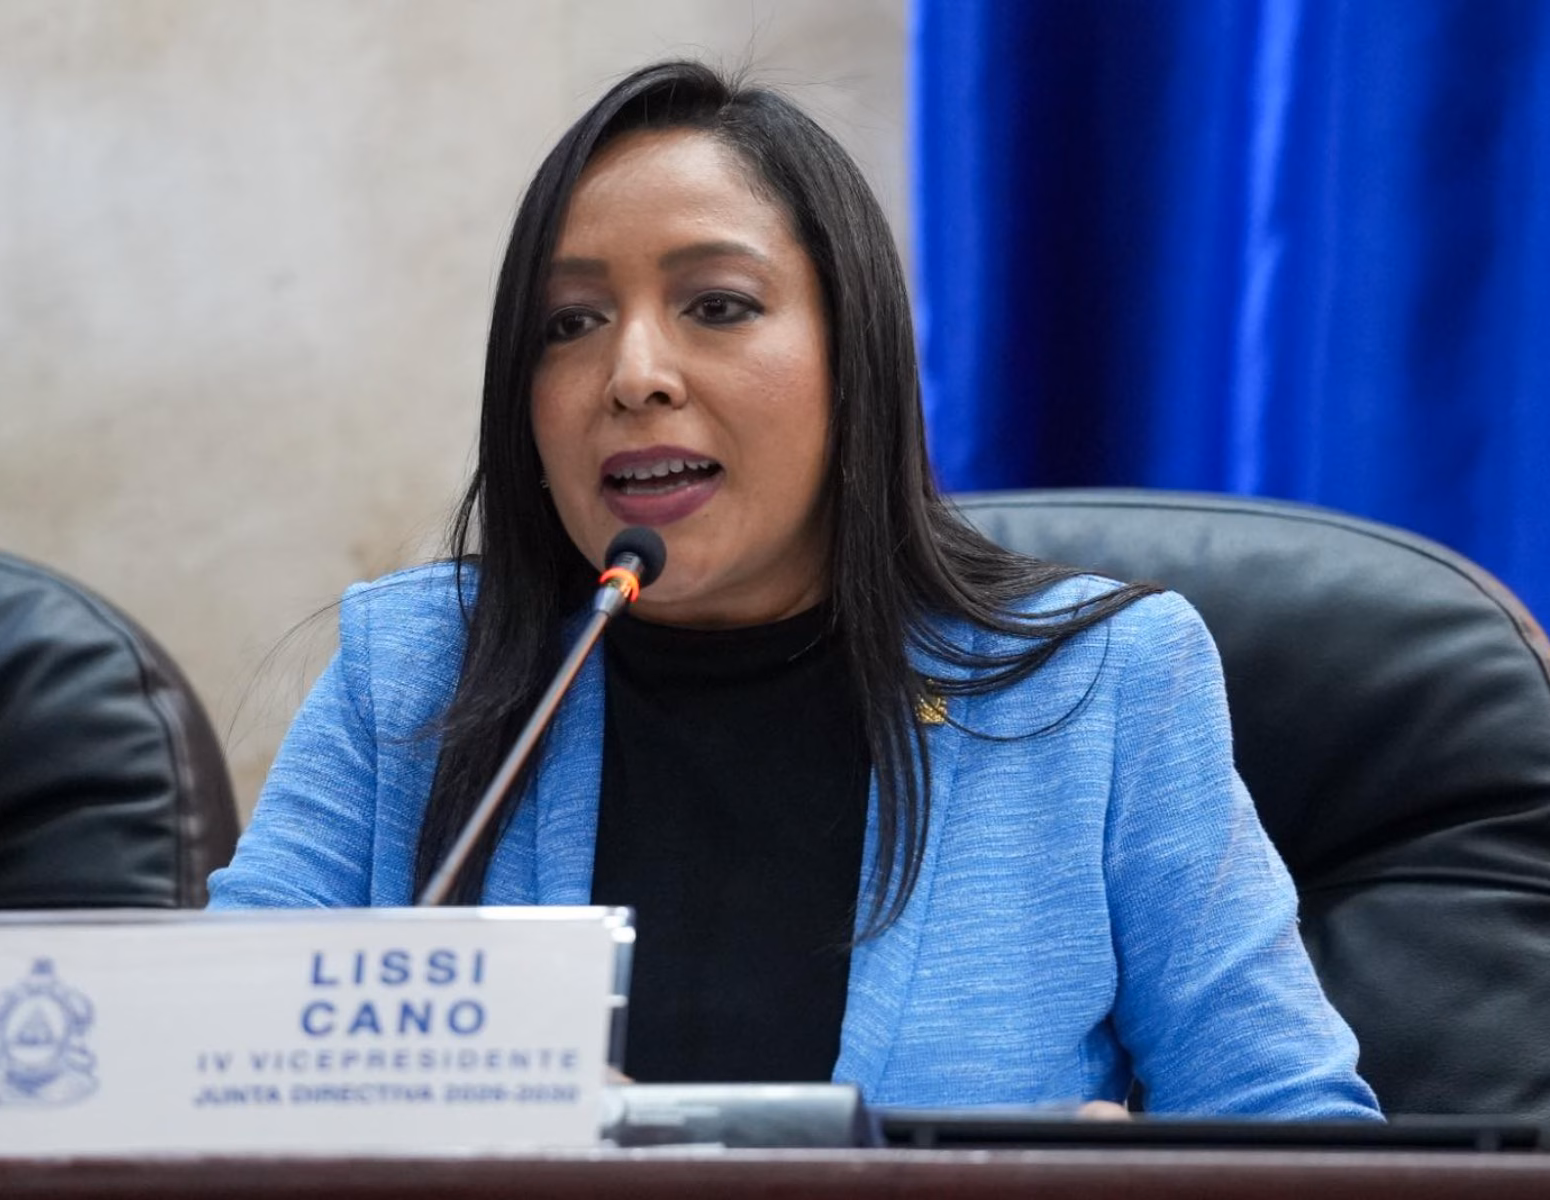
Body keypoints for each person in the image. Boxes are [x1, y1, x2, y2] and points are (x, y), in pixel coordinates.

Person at [209, 60, 1380, 1120]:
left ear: (851, 353)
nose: (633, 374)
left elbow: (1303, 1131)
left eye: (717, 305)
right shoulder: (417, 673)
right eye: (569, 323)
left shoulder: (1102, 689)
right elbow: (198, 1086)